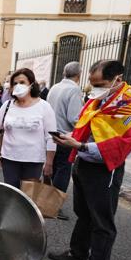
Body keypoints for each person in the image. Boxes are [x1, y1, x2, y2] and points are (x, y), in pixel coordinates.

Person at [49, 60, 131, 260]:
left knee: (102, 220)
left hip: (104, 168)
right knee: (83, 212)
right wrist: (69, 138)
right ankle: (78, 253)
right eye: (91, 83)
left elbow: (120, 145)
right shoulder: (99, 99)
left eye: (100, 83)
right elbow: (85, 128)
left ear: (117, 79)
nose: (94, 88)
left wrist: (79, 146)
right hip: (83, 162)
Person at [0, 68, 57, 188]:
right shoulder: (7, 105)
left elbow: (51, 136)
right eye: (14, 83)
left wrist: (49, 162)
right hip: (9, 160)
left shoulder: (44, 106)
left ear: (31, 84)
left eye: (22, 82)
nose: (18, 86)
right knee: (11, 195)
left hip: (34, 162)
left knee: (28, 197)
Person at [46, 62, 84, 220]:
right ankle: (53, 207)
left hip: (50, 134)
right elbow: (74, 117)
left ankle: (45, 203)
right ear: (79, 75)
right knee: (62, 170)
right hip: (64, 136)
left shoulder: (54, 87)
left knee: (51, 169)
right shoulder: (74, 89)